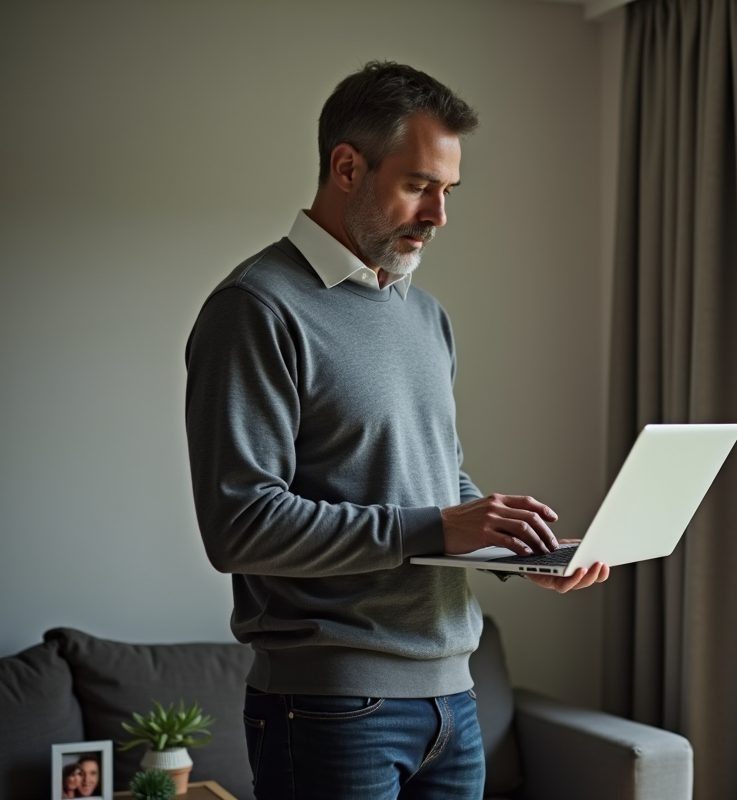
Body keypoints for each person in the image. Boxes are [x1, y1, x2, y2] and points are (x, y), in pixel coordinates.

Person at [184, 61, 607, 800]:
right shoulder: (256, 309)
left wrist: (518, 545)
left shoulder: (425, 315)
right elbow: (240, 525)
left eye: (448, 191)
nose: (439, 215)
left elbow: (437, 479)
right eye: (419, 186)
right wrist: (440, 524)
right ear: (346, 166)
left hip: (455, 696)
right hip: (331, 704)